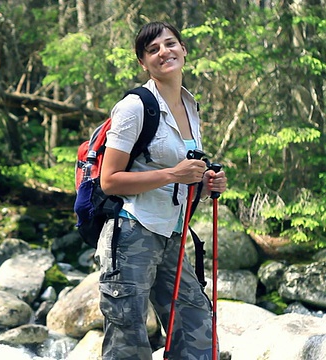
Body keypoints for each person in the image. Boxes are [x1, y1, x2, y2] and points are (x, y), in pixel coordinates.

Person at [94, 21, 227, 360]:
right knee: (128, 338)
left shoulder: (189, 105)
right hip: (132, 232)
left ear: (184, 49)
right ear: (143, 62)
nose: (163, 52)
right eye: (153, 50)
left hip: (172, 233)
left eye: (170, 44)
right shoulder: (134, 107)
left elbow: (182, 177)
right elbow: (110, 181)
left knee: (197, 326)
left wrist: (205, 182)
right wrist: (173, 174)